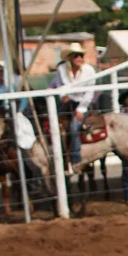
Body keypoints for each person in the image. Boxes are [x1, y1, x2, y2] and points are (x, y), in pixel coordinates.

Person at [49, 42, 97, 171]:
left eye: (81, 55)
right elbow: (60, 86)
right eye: (76, 56)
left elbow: (90, 92)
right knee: (54, 127)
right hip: (67, 102)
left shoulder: (89, 70)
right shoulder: (62, 69)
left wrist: (81, 109)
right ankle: (59, 158)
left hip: (83, 103)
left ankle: (76, 159)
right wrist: (63, 95)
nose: (79, 58)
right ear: (70, 58)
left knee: (73, 127)